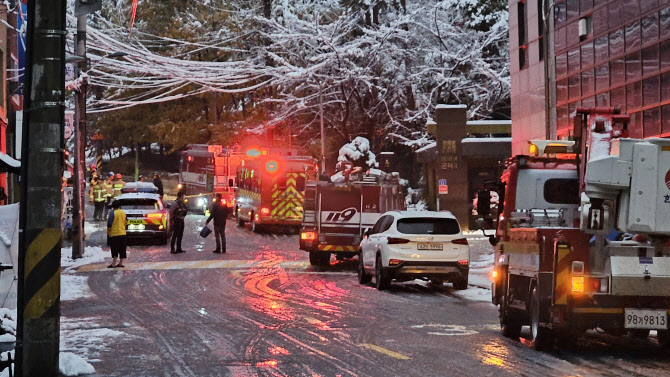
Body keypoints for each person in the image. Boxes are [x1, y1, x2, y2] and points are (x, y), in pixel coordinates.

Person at [107, 200, 127, 268]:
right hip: (122, 233)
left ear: (113, 206)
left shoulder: (112, 213)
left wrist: (109, 232)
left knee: (114, 249)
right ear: (119, 206)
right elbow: (126, 222)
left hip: (114, 234)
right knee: (122, 249)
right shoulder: (123, 213)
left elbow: (109, 223)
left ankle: (114, 263)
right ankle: (121, 263)